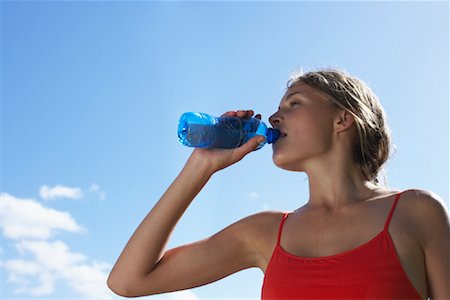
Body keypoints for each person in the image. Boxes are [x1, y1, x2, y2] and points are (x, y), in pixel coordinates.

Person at [107, 69, 450, 299]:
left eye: (294, 103)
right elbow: (128, 281)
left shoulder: (415, 211)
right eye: (278, 108)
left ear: (343, 119)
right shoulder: (266, 232)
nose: (273, 117)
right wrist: (200, 167)